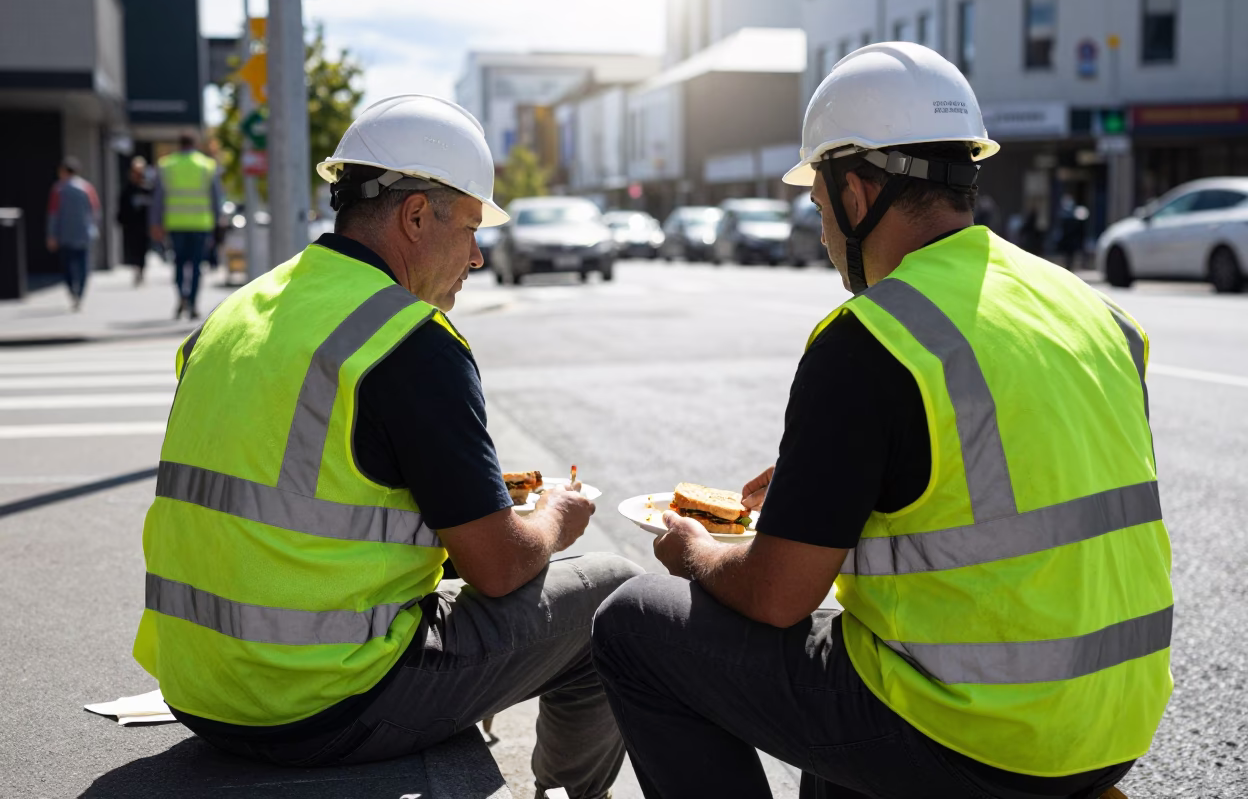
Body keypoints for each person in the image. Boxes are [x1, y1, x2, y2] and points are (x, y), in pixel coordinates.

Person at [592, 42, 1172, 799]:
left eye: (819, 204)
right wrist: (836, 490)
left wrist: (696, 550)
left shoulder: (870, 338)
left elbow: (776, 596)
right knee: (844, 690)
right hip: (1113, 727)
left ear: (856, 194)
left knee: (634, 621)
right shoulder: (1097, 314)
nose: (826, 232)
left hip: (981, 743)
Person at [132, 94, 641, 799]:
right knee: (613, 593)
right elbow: (497, 568)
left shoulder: (235, 312)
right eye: (467, 228)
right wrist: (555, 516)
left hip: (199, 690)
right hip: (322, 703)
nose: (477, 255)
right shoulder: (408, 340)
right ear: (413, 216)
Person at [150, 134, 223, 319]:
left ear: (179, 145)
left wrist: (155, 223)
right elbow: (216, 197)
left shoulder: (167, 165)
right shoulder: (207, 165)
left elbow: (158, 198)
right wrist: (219, 220)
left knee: (179, 263)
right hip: (201, 223)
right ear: (195, 144)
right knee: (197, 265)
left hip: (176, 223)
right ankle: (192, 302)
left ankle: (181, 295)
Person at [45, 155, 100, 311]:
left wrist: (52, 235)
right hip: (84, 233)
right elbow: (95, 211)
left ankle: (72, 291)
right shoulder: (87, 188)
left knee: (67, 266)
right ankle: (80, 293)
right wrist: (94, 228)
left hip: (65, 234)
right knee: (83, 265)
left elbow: (53, 214)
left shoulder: (58, 189)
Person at [117, 156, 153, 286]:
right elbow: (122, 207)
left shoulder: (148, 189)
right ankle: (136, 270)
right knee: (132, 249)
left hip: (145, 225)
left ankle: (141, 271)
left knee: (143, 249)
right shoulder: (127, 190)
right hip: (131, 226)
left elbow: (153, 207)